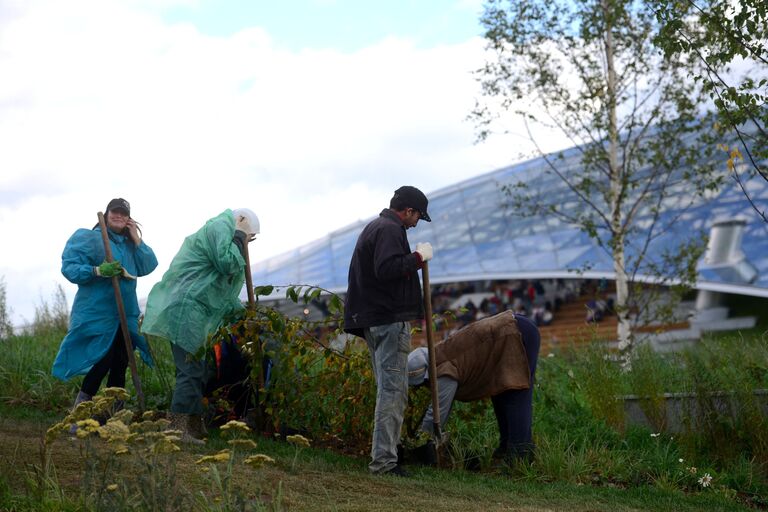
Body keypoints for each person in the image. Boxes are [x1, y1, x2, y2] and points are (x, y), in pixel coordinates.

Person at [141, 208, 260, 444]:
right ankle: (177, 430)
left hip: (191, 310)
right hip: (187, 309)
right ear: (242, 224)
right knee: (191, 369)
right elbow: (227, 264)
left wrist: (244, 315)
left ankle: (192, 425)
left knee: (197, 368)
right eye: (249, 239)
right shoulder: (221, 229)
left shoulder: (222, 234)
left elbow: (221, 293)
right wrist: (238, 237)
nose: (246, 245)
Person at [344, 185, 433, 477]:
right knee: (393, 392)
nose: (417, 221)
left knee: (388, 389)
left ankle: (386, 454)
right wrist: (419, 259)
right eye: (418, 215)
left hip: (374, 318)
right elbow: (386, 268)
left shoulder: (376, 227)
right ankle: (384, 462)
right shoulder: (390, 229)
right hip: (388, 319)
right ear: (408, 211)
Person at [52, 198, 158, 421]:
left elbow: (148, 265)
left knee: (121, 361)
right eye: (115, 212)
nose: (118, 216)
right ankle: (79, 413)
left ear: (129, 218)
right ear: (107, 214)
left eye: (123, 213)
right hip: (97, 311)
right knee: (103, 359)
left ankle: (111, 416)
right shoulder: (90, 238)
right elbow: (69, 268)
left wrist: (137, 238)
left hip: (124, 312)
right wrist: (98, 270)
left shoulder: (130, 244)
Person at [406, 310, 541, 465]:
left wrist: (421, 440)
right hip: (511, 328)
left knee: (515, 394)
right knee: (500, 393)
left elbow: (437, 412)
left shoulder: (443, 371)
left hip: (514, 334)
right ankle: (506, 449)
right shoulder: (438, 353)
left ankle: (519, 455)